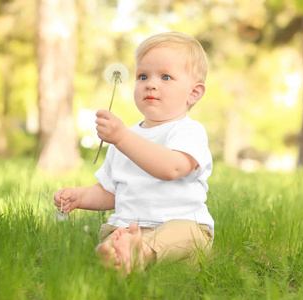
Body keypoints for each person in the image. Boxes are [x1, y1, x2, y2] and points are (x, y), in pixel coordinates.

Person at [54, 31, 214, 274]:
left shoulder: (189, 131)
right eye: (143, 76)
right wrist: (81, 197)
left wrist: (122, 138)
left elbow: (171, 168)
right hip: (129, 226)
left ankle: (137, 252)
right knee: (115, 235)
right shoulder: (124, 138)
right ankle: (121, 255)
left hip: (180, 227)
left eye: (166, 77)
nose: (151, 83)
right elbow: (112, 192)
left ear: (193, 93)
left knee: (188, 233)